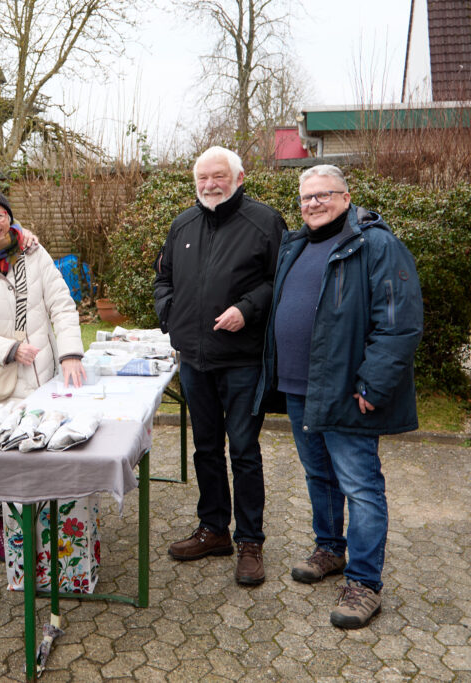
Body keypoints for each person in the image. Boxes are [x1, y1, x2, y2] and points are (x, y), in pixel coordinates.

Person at [254, 164, 422, 628]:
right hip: (299, 388)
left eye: (323, 195)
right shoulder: (296, 244)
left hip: (348, 391)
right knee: (319, 475)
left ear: (346, 198)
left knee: (361, 487)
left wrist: (374, 383)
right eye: (306, 197)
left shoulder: (376, 245)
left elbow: (399, 322)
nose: (313, 204)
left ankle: (364, 583)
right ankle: (329, 548)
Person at [153, 146, 287, 586]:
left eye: (218, 176)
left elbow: (280, 281)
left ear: (239, 178)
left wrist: (248, 308)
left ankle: (250, 541)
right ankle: (214, 529)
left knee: (244, 450)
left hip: (242, 360)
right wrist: (169, 313)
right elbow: (164, 278)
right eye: (202, 178)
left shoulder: (264, 222)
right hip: (194, 360)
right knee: (205, 448)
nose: (209, 185)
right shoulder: (182, 224)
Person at [0, 187, 85, 559]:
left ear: (10, 218)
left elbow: (62, 305)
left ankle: (48, 530)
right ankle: (2, 525)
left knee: (45, 457)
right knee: (2, 462)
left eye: (0, 215)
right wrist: (9, 349)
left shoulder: (33, 253)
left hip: (43, 378)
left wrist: (71, 354)